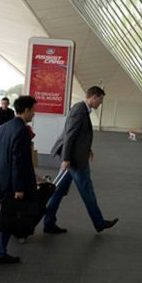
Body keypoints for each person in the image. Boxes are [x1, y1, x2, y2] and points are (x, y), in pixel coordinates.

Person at [44, 86, 118, 234]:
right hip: (75, 160)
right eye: (100, 100)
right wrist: (65, 158)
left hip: (74, 157)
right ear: (94, 97)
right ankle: (99, 223)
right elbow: (70, 135)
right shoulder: (80, 110)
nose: (100, 103)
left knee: (58, 191)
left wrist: (87, 149)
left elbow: (79, 134)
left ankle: (49, 222)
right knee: (87, 191)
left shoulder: (82, 109)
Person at [0, 95, 37, 264]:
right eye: (33, 110)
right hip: (11, 182)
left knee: (5, 214)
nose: (34, 114)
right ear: (26, 111)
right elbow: (18, 162)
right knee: (9, 216)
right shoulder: (21, 131)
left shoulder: (3, 128)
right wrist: (19, 188)